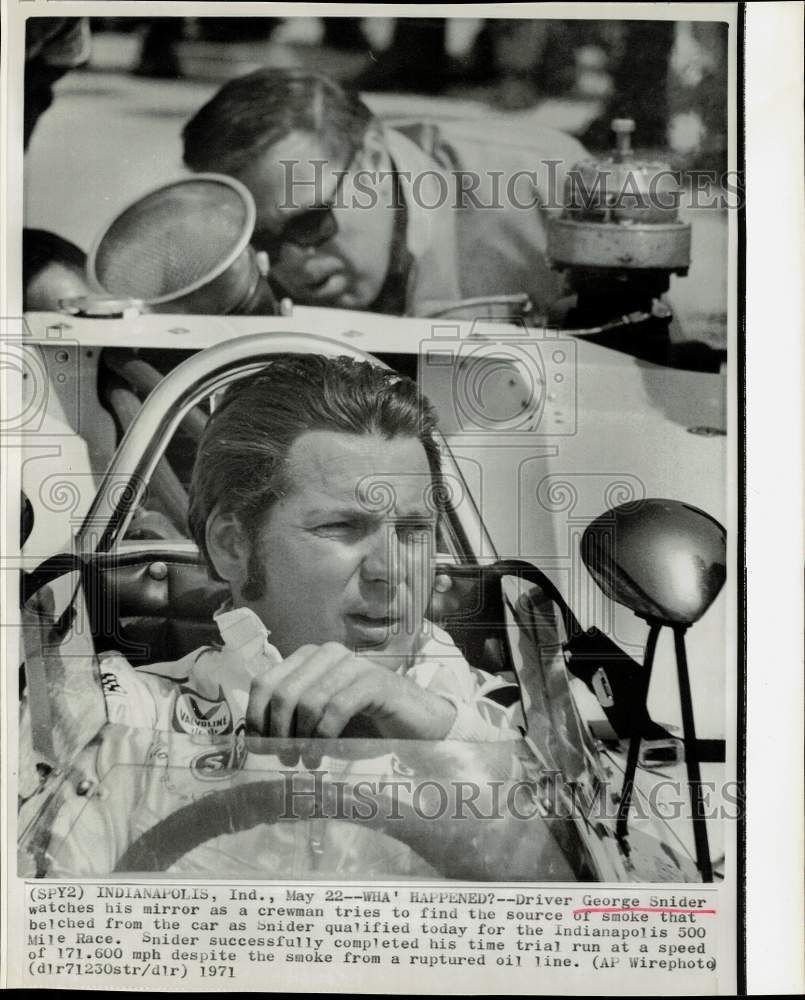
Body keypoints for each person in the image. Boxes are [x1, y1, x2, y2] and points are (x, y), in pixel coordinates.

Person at [101, 354, 523, 743]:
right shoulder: (129, 714)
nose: (390, 570)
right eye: (342, 526)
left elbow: (564, 812)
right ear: (233, 545)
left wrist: (442, 731)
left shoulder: (528, 718)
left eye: (414, 530)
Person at [181, 68, 587, 318]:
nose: (292, 265)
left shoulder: (547, 186)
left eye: (310, 222)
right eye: (258, 240)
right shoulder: (212, 260)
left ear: (372, 156)